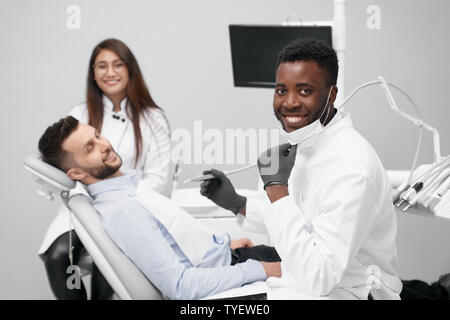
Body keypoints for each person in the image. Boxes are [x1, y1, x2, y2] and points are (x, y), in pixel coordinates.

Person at [200, 38, 403, 300]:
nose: (289, 103)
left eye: (305, 91)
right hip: (296, 285)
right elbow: (301, 224)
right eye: (281, 90)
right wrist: (237, 203)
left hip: (346, 293)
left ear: (331, 94)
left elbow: (320, 276)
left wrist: (276, 189)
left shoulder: (353, 166)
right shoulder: (305, 143)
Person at [37, 116, 282, 300]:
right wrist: (261, 269)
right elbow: (180, 286)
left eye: (98, 135)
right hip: (231, 281)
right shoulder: (122, 209)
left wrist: (221, 245)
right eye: (89, 148)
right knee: (316, 274)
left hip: (228, 261)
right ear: (77, 172)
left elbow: (170, 239)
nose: (104, 145)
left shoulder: (125, 187)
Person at [38, 39, 172, 300]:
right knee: (57, 256)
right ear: (93, 73)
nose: (110, 73)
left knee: (109, 265)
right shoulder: (79, 115)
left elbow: (159, 178)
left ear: (130, 69)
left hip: (131, 208)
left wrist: (119, 204)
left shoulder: (152, 118)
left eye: (117, 65)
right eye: (102, 66)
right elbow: (64, 166)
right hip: (84, 209)